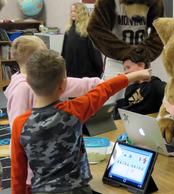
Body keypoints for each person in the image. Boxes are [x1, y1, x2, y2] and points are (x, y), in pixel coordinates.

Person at [11, 49, 151, 194]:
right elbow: (106, 88)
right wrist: (138, 74)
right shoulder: (74, 111)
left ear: (27, 81)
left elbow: (18, 173)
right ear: (63, 85)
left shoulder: (19, 124)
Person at [4, 35, 103, 193]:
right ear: (35, 59)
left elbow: (77, 84)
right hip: (34, 171)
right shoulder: (22, 89)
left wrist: (108, 81)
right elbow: (21, 133)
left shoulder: (39, 80)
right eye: (44, 48)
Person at [87, 0, 164, 80]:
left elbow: (161, 30)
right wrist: (128, 54)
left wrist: (143, 55)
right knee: (115, 91)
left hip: (141, 63)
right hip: (116, 61)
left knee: (142, 91)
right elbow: (94, 28)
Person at [62, 2, 103, 78]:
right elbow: (64, 53)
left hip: (87, 74)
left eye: (75, 11)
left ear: (82, 13)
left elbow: (95, 54)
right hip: (71, 74)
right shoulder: (68, 30)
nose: (72, 13)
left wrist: (99, 70)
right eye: (71, 11)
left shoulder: (88, 30)